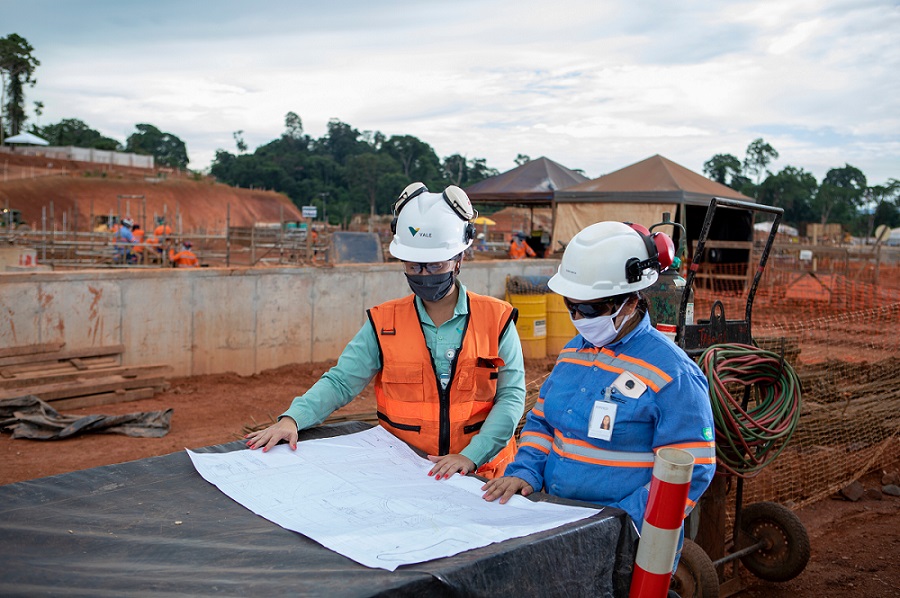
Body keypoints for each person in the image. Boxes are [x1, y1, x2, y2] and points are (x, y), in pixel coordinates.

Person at [245, 182, 527, 480]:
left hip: (484, 475)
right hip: (409, 475)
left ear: (459, 258)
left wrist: (470, 456)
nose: (423, 275)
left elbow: (510, 398)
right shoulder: (384, 322)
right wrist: (293, 419)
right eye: (414, 266)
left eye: (434, 266)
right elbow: (341, 382)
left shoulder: (497, 319)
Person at [482, 221, 715, 557]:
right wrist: (526, 472)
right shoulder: (573, 353)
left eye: (590, 308)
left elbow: (692, 468)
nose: (578, 317)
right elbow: (543, 422)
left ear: (632, 302)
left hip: (628, 543)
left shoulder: (673, 374)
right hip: (557, 522)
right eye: (570, 305)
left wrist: (622, 522)